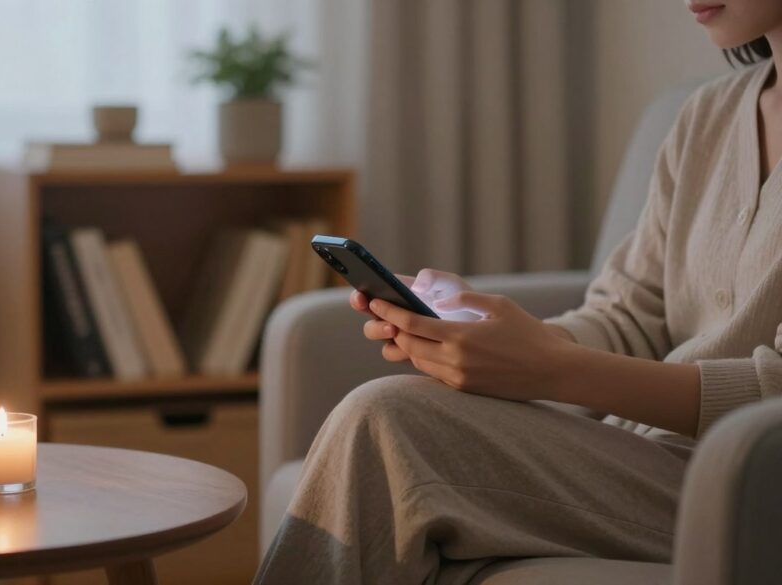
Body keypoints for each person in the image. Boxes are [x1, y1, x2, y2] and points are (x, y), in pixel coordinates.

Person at [254, 1, 782, 583]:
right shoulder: (706, 117)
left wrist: (553, 370)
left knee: (387, 421)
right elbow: (629, 317)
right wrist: (502, 341)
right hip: (650, 463)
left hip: (754, 486)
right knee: (389, 422)